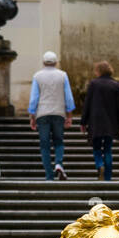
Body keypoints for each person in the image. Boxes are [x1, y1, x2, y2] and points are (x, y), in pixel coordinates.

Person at [28, 51, 75, 181]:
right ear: (56, 62)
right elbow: (69, 97)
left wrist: (32, 116)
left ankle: (49, 174)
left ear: (43, 62)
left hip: (42, 114)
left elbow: (34, 99)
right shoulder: (63, 75)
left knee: (44, 145)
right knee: (59, 141)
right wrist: (69, 115)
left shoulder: (37, 76)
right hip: (59, 113)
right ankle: (59, 163)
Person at [79, 61, 119, 181]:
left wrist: (83, 122)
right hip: (110, 124)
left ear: (98, 71)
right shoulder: (115, 85)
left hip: (95, 123)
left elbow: (87, 104)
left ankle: (100, 165)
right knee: (107, 149)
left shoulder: (93, 84)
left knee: (96, 148)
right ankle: (108, 177)